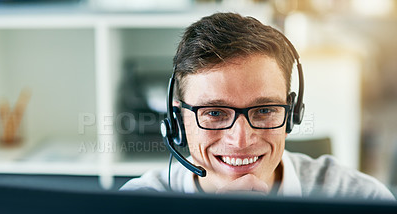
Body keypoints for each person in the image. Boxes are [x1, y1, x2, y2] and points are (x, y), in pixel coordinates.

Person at [121, 12, 394, 199]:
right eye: (214, 113)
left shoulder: (360, 200)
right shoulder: (131, 213)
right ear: (178, 118)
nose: (240, 139)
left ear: (291, 114)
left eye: (264, 110)